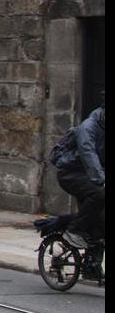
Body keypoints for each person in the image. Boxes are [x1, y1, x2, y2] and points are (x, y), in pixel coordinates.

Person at [54, 104, 105, 250]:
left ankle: (92, 269)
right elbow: (89, 156)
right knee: (100, 194)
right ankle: (74, 230)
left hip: (90, 176)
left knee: (100, 226)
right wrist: (102, 180)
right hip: (70, 174)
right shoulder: (88, 128)